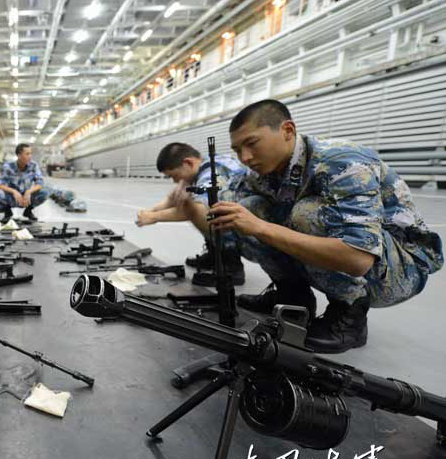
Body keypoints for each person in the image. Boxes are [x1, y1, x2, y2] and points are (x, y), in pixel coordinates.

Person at [184, 99, 443, 353]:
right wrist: (190, 205)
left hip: (401, 267)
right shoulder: (260, 172)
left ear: (288, 131)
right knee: (246, 209)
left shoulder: (343, 162)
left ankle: (349, 313)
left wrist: (260, 227)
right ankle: (293, 297)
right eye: (238, 150)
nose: (245, 157)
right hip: (366, 258)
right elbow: (219, 217)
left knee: (304, 214)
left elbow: (358, 259)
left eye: (252, 144)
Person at [136, 142, 247, 286]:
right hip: (242, 214)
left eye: (174, 175)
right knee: (192, 202)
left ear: (188, 162)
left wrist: (153, 217)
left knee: (208, 215)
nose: (175, 181)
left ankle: (231, 268)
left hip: (250, 223)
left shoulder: (211, 175)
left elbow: (197, 210)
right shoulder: (201, 164)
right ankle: (215, 257)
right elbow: (173, 197)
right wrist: (151, 210)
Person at [0, 143, 47, 222]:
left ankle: (28, 211)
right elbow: (0, 185)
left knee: (44, 192)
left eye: (30, 153)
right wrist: (14, 191)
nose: (30, 156)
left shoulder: (34, 166)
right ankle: (7, 212)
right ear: (19, 155)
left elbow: (40, 183)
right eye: (27, 154)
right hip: (12, 197)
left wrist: (29, 192)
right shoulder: (8, 166)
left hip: (26, 198)